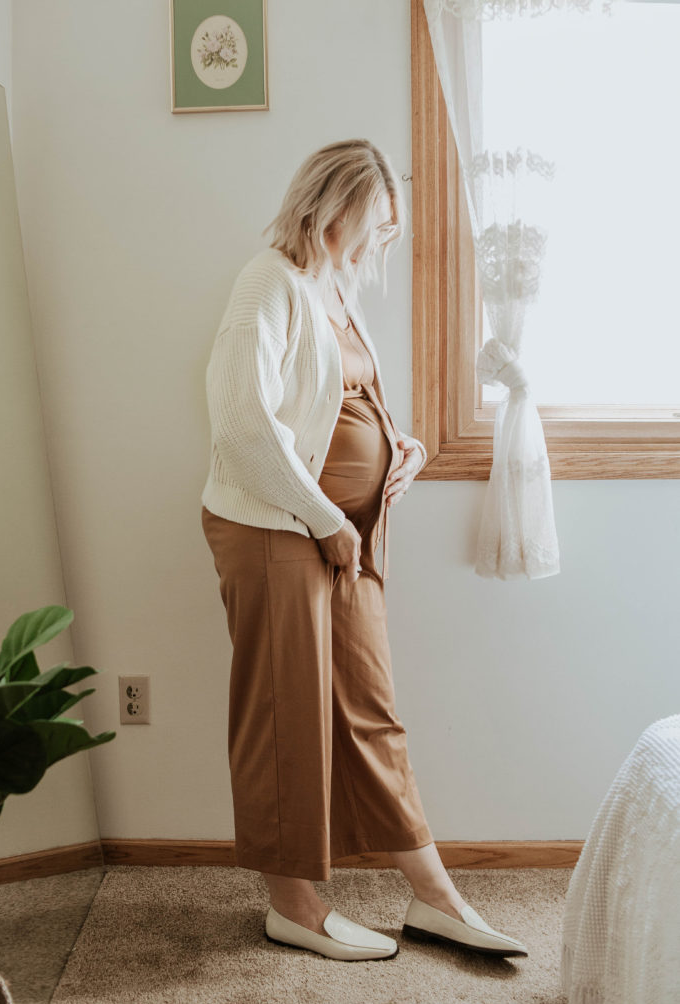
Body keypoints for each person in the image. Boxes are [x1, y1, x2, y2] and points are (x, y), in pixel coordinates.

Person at [200, 139, 527, 961]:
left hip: (337, 538)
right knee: (284, 715)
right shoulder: (266, 284)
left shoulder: (332, 288)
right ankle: (294, 908)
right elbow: (244, 426)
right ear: (334, 208)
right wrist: (325, 518)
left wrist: (397, 444)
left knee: (370, 713)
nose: (385, 240)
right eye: (378, 223)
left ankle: (434, 896)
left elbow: (333, 402)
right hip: (277, 530)